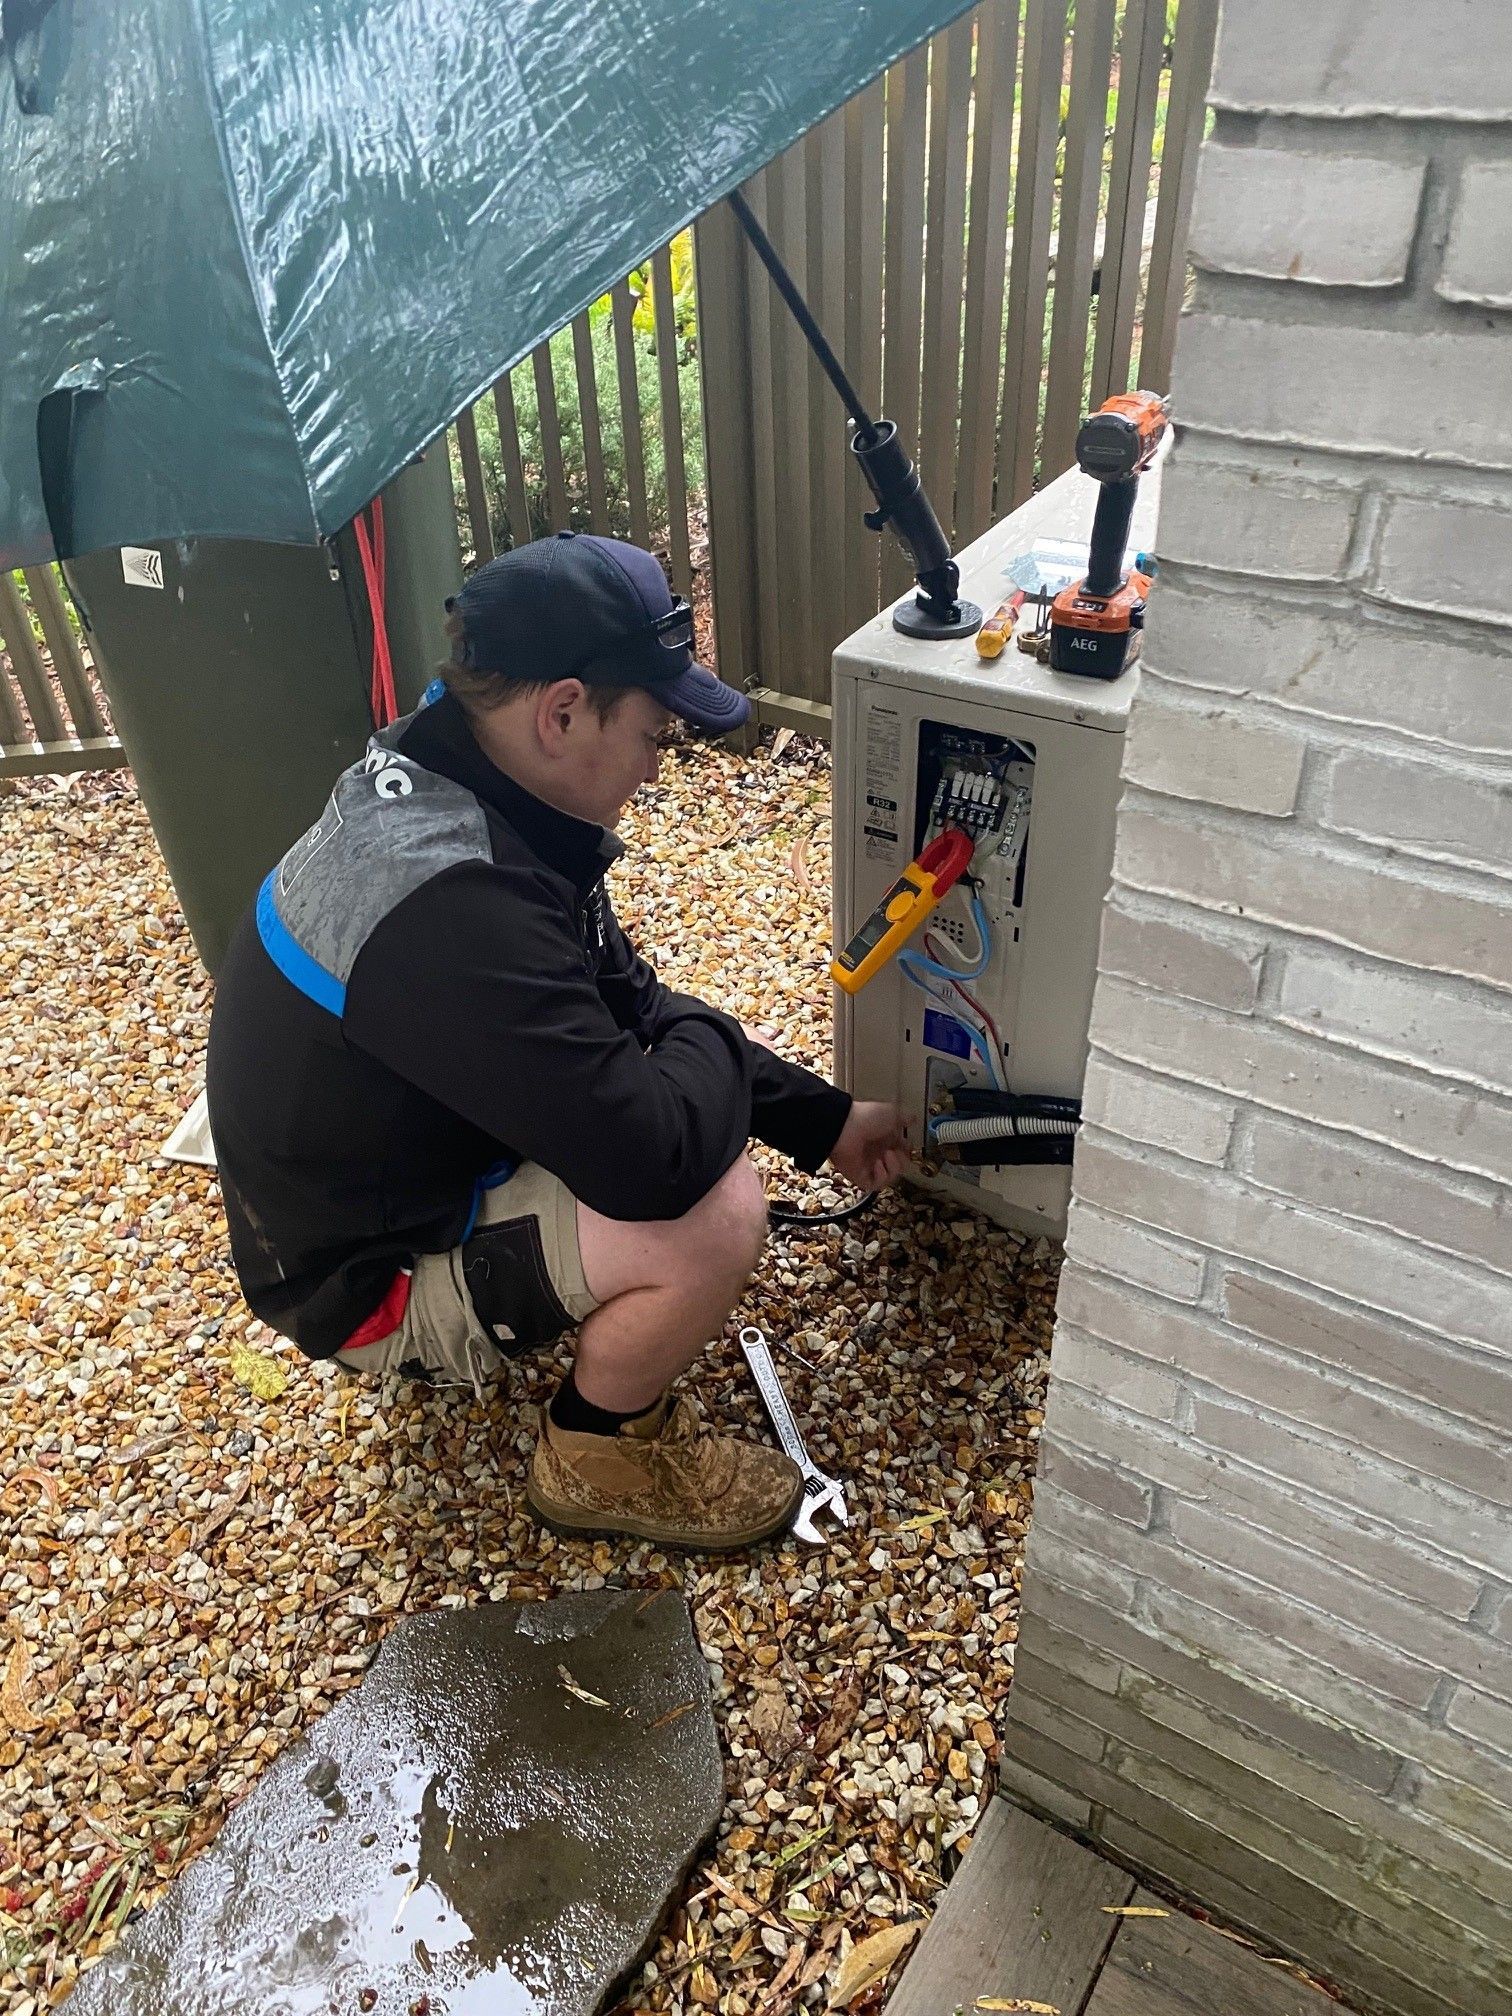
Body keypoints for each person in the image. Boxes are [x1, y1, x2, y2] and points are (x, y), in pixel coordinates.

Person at [206, 531, 908, 1552]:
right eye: (656, 737)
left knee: (680, 1087)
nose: (656, 767)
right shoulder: (453, 907)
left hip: (397, 1158)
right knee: (714, 1213)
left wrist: (825, 1116)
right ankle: (594, 1451)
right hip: (363, 1282)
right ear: (564, 710)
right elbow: (655, 1160)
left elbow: (621, 999)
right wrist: (708, 1035)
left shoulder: (462, 785)